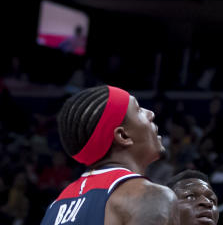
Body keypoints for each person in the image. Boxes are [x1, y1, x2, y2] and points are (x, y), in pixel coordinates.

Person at [39, 85, 176, 225]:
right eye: (138, 110)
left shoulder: (55, 208)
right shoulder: (151, 196)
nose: (151, 114)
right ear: (123, 135)